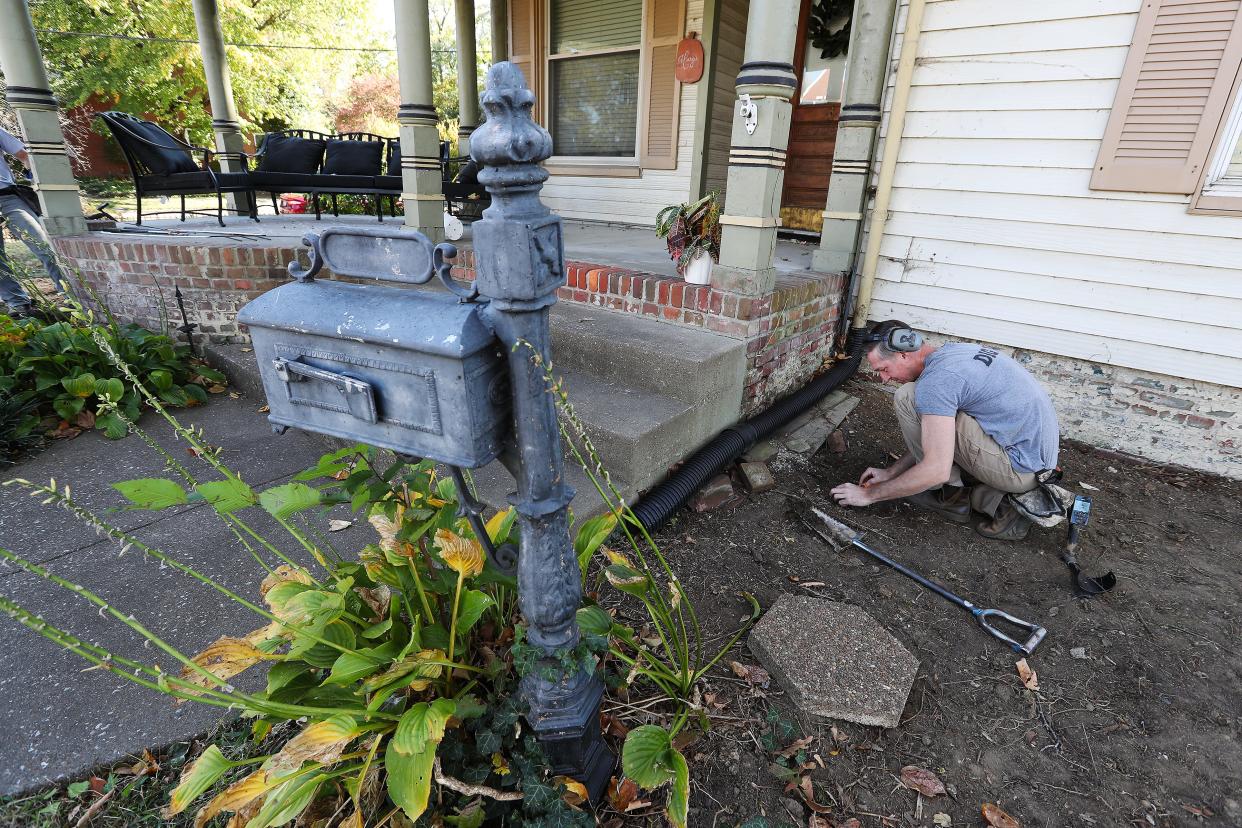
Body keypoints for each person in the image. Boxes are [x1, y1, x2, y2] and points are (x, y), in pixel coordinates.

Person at [830, 320, 1060, 541]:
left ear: (903, 354)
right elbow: (939, 431)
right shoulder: (954, 352)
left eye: (884, 369)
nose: (884, 379)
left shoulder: (937, 382)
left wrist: (867, 495)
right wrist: (892, 473)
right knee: (928, 406)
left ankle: (953, 497)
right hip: (1032, 459)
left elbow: (936, 469)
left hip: (1021, 470)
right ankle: (985, 496)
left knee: (907, 397)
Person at [0, 125, 70, 316]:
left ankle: (72, 298)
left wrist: (35, 177)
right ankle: (19, 305)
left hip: (6, 197)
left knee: (42, 243)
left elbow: (24, 155)